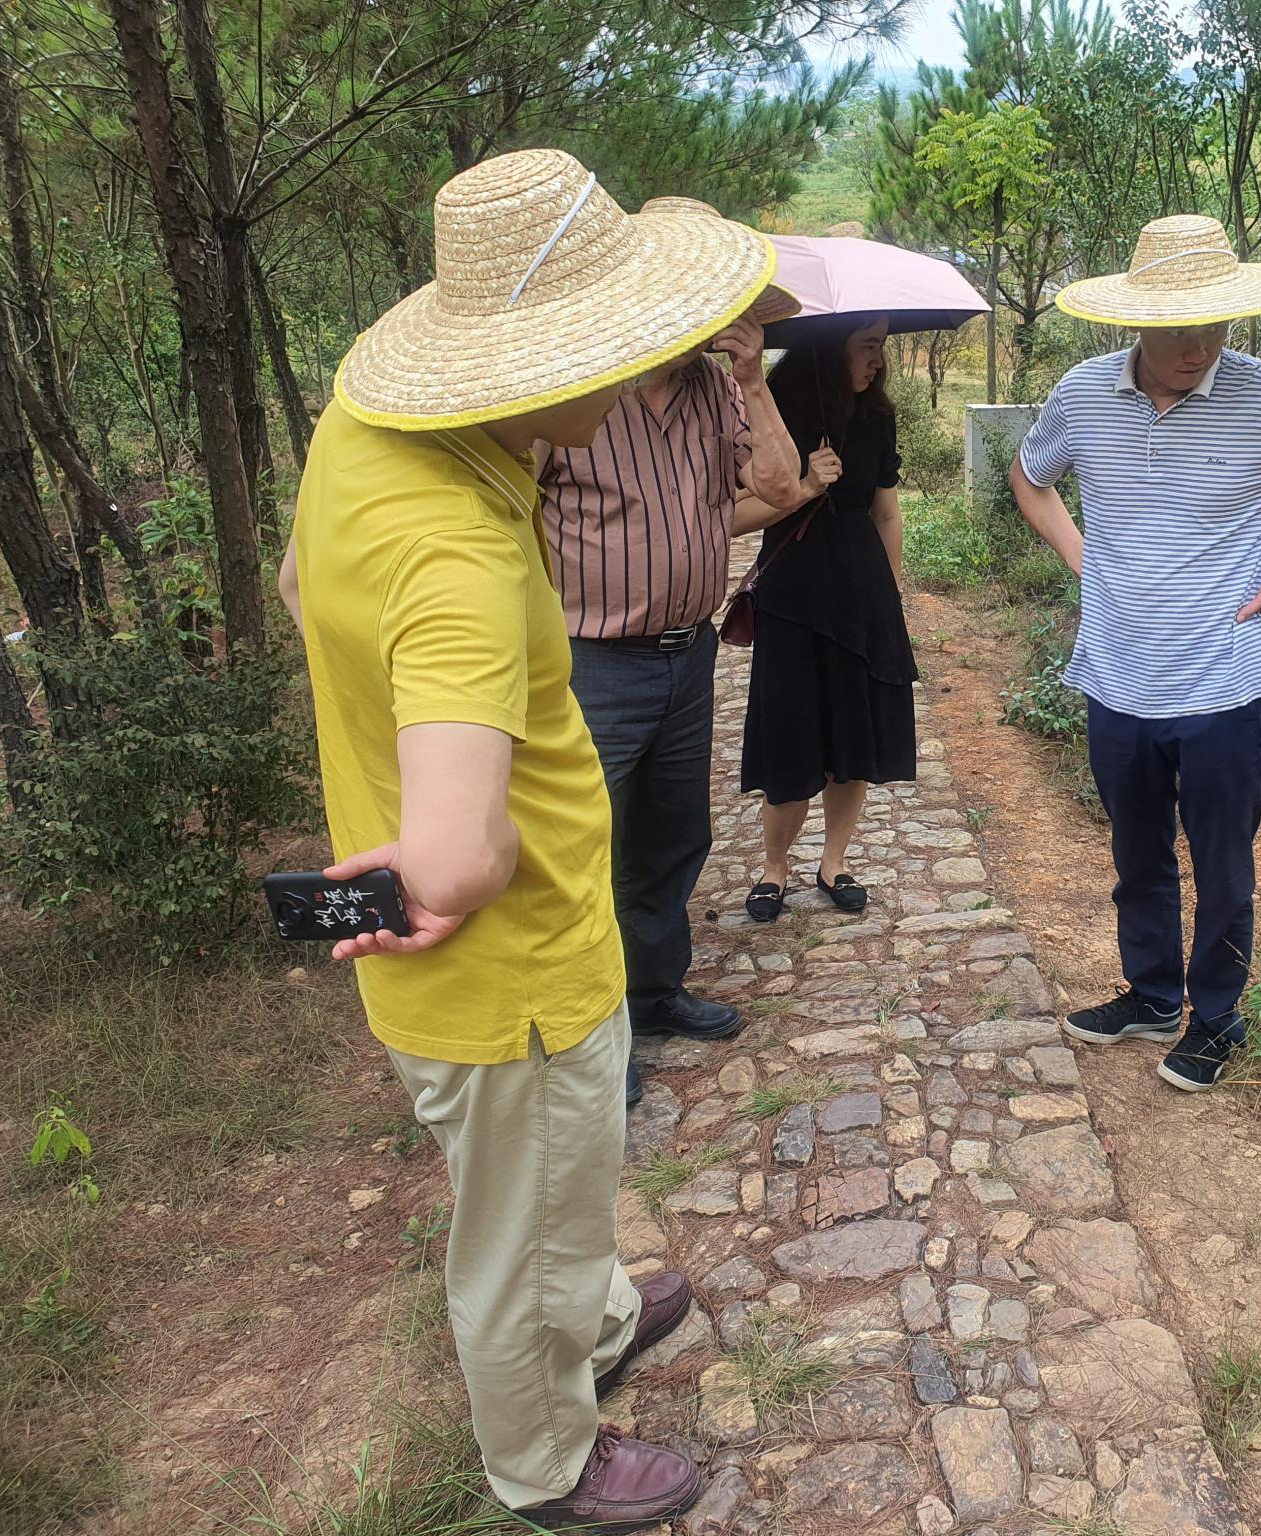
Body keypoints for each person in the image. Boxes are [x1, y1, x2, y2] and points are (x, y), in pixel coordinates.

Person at [278, 149, 784, 1530]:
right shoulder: (451, 549)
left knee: (557, 1192)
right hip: (513, 976)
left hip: (487, 971)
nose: (627, 379)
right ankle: (548, 1459)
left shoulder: (363, 431)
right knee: (519, 1230)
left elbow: (300, 584)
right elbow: (450, 863)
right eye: (607, 351)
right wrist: (467, 855)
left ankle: (599, 1313)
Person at [1009, 214, 1261, 1093]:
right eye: (1178, 329)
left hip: (1224, 681)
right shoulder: (1083, 394)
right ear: (1137, 321)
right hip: (1115, 672)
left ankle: (1216, 1019)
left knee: (1223, 866)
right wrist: (1083, 558)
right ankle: (1152, 996)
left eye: (1214, 325)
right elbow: (1029, 477)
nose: (1198, 348)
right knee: (1137, 854)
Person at [534, 195, 814, 1109]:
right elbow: (511, 517)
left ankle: (653, 995)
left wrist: (754, 380)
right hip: (588, 660)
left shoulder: (716, 391)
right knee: (581, 851)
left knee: (671, 836)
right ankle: (586, 1040)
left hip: (687, 655)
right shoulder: (571, 390)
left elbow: (781, 487)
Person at [732, 315, 916, 919]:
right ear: (831, 346)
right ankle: (774, 867)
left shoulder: (876, 416)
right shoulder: (773, 410)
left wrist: (890, 601)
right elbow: (731, 516)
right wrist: (807, 485)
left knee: (853, 738)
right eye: (868, 346)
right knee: (790, 738)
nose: (878, 360)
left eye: (882, 347)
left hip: (862, 597)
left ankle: (833, 862)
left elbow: (886, 514)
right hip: (793, 600)